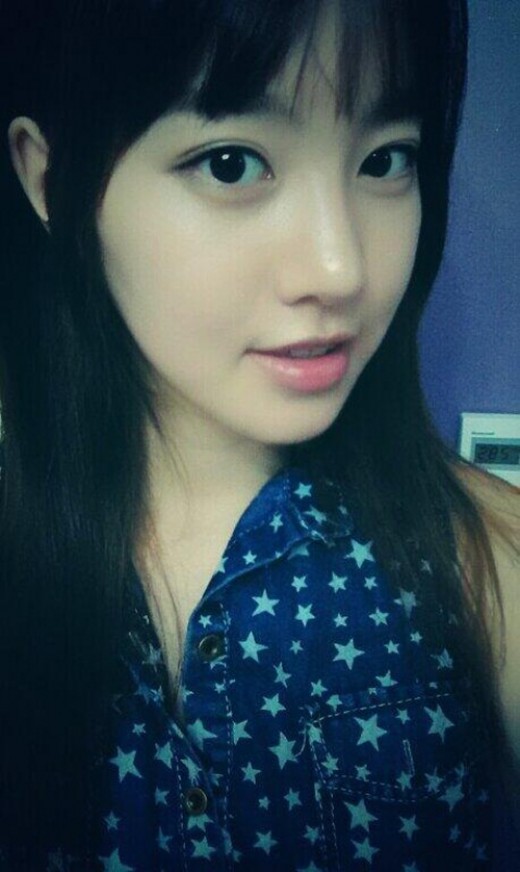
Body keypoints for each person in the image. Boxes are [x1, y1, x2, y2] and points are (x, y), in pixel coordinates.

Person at [0, 0, 518, 869]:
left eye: (386, 159)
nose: (341, 268)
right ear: (50, 180)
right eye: (231, 163)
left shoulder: (484, 560)